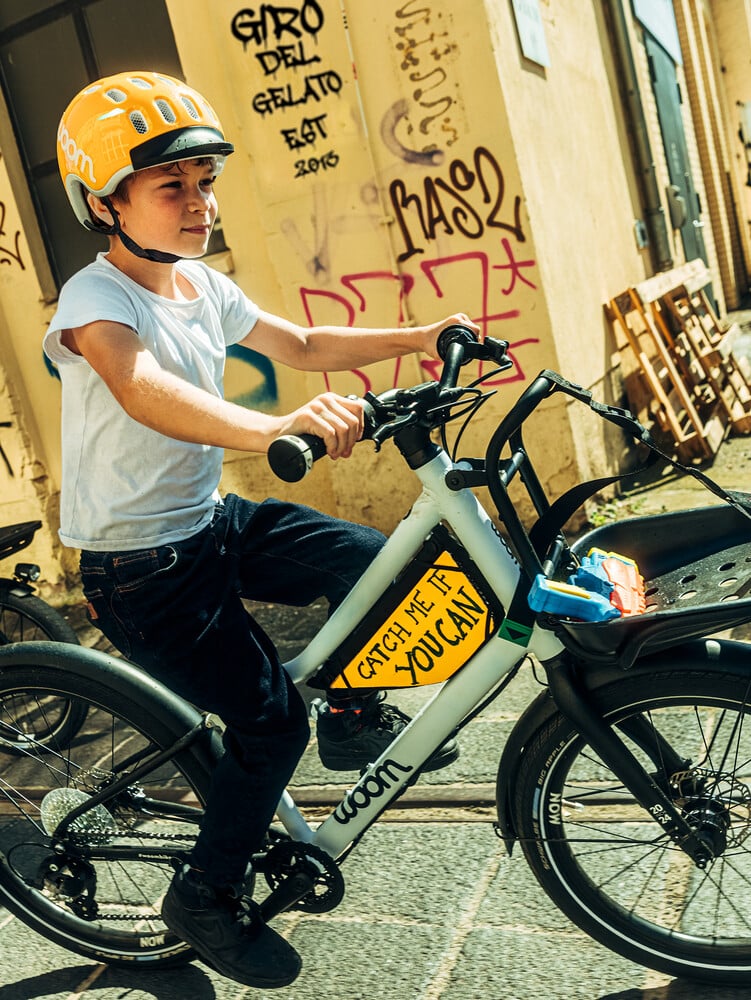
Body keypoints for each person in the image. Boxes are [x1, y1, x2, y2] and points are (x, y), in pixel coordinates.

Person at [45, 70, 479, 989]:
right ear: (103, 202)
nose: (199, 202)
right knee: (269, 726)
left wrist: (422, 333)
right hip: (141, 568)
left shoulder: (200, 285)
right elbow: (142, 390)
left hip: (208, 522)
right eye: (172, 187)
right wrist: (272, 428)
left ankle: (355, 716)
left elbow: (305, 347)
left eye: (205, 183)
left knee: (376, 563)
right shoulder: (95, 302)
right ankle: (204, 895)